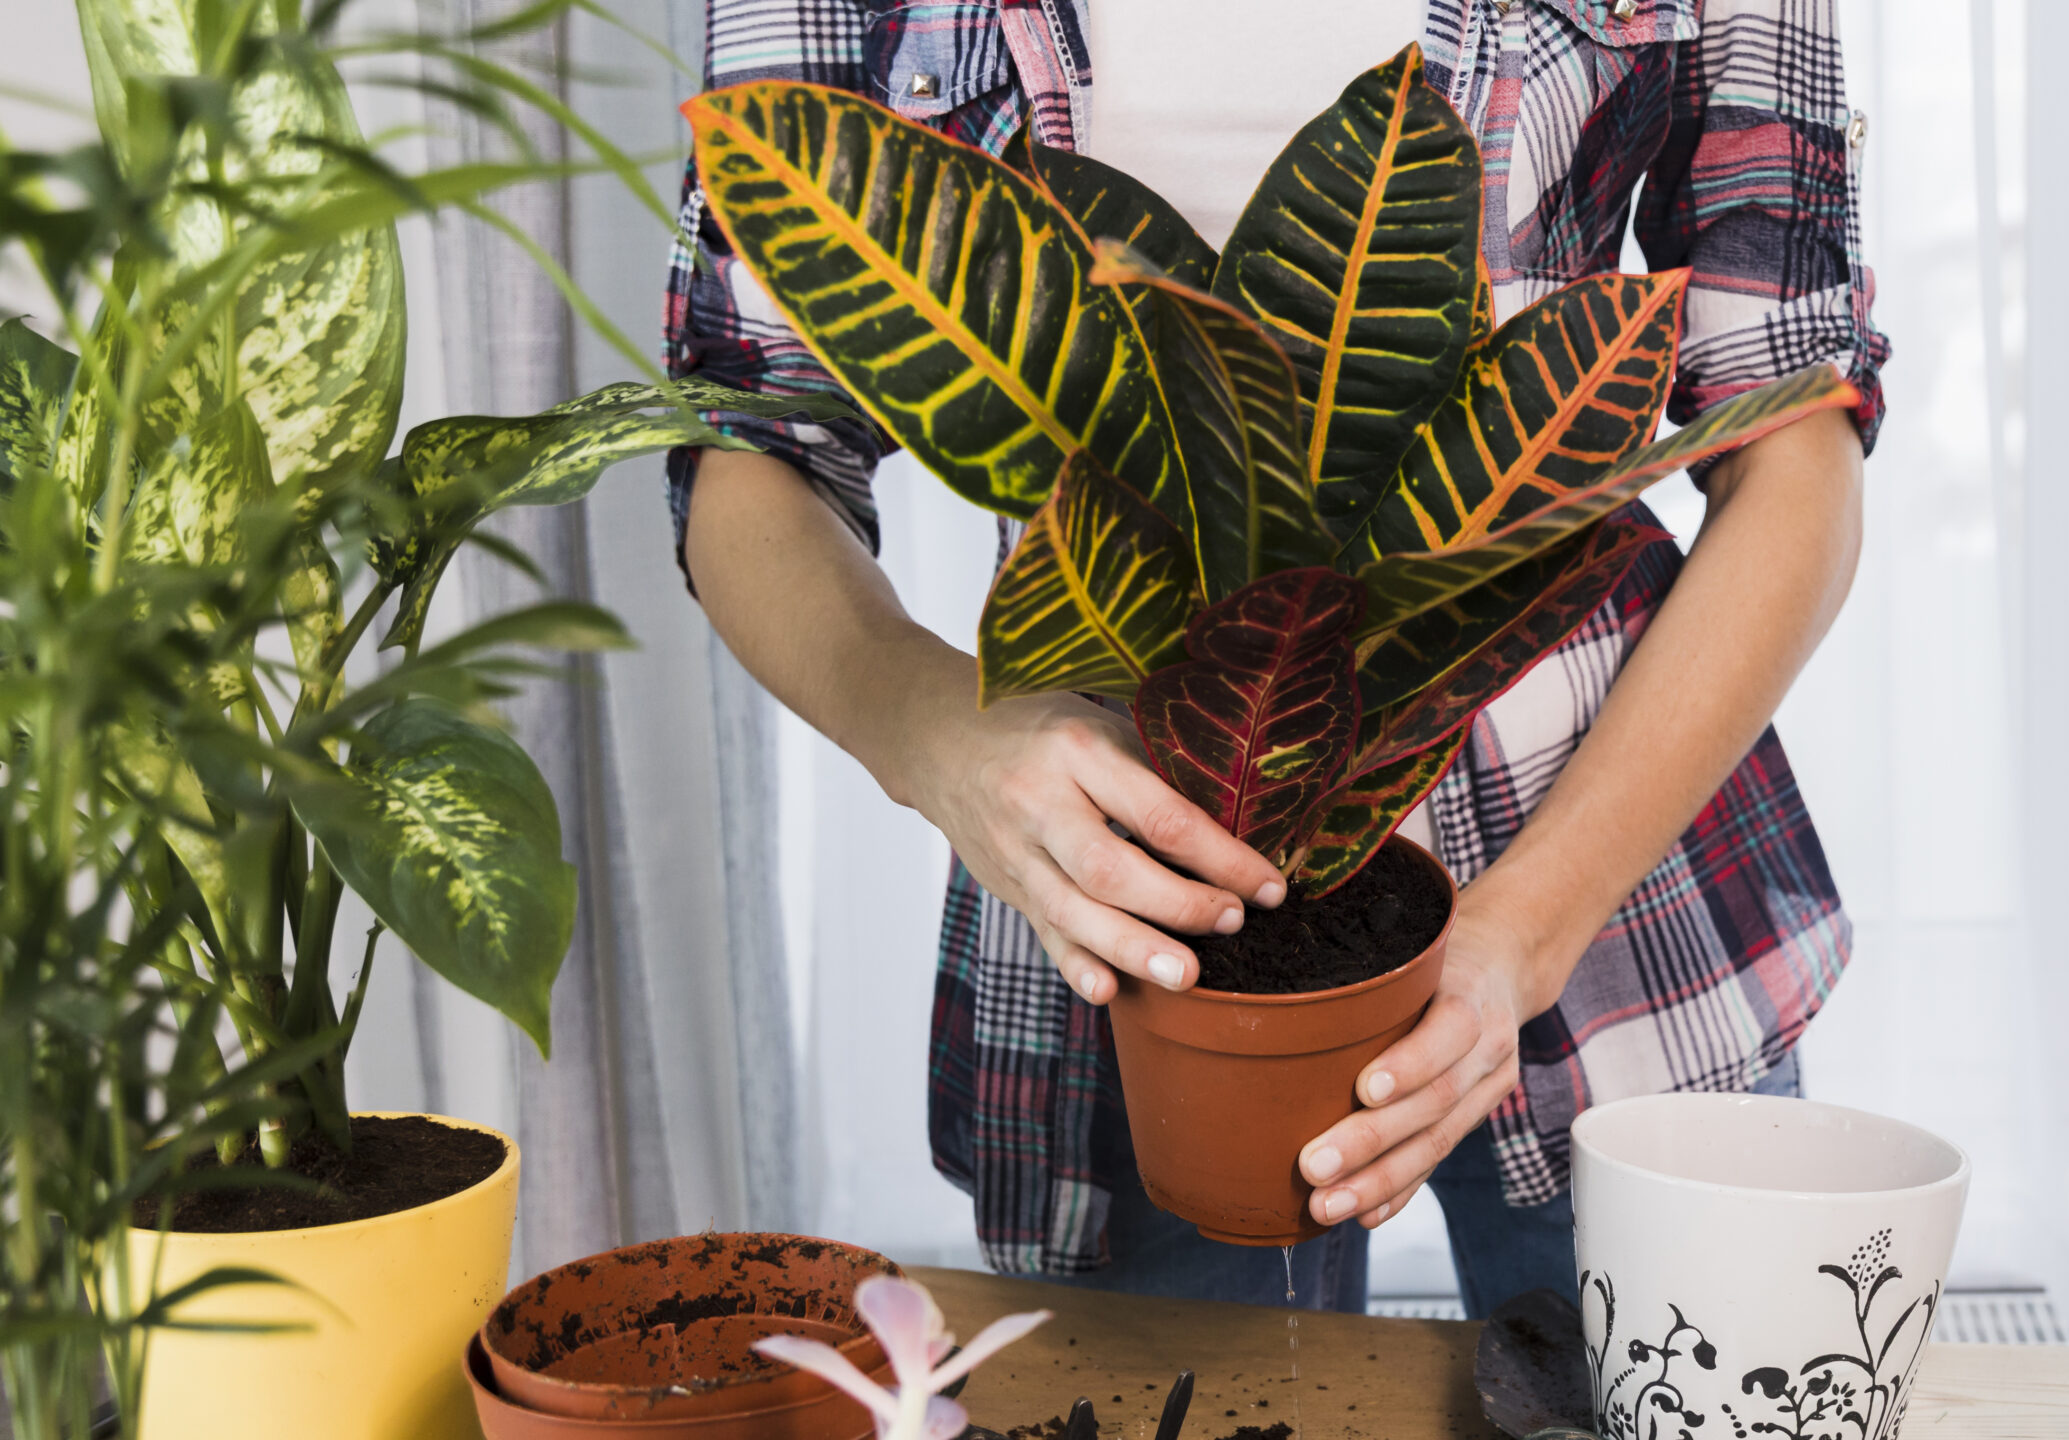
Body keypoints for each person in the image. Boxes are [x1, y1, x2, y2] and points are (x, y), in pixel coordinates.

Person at [665, 0, 1887, 1318]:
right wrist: (934, 737)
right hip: (1142, 919)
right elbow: (754, 439)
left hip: (1618, 899)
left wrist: (1528, 930)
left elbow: (1793, 422)